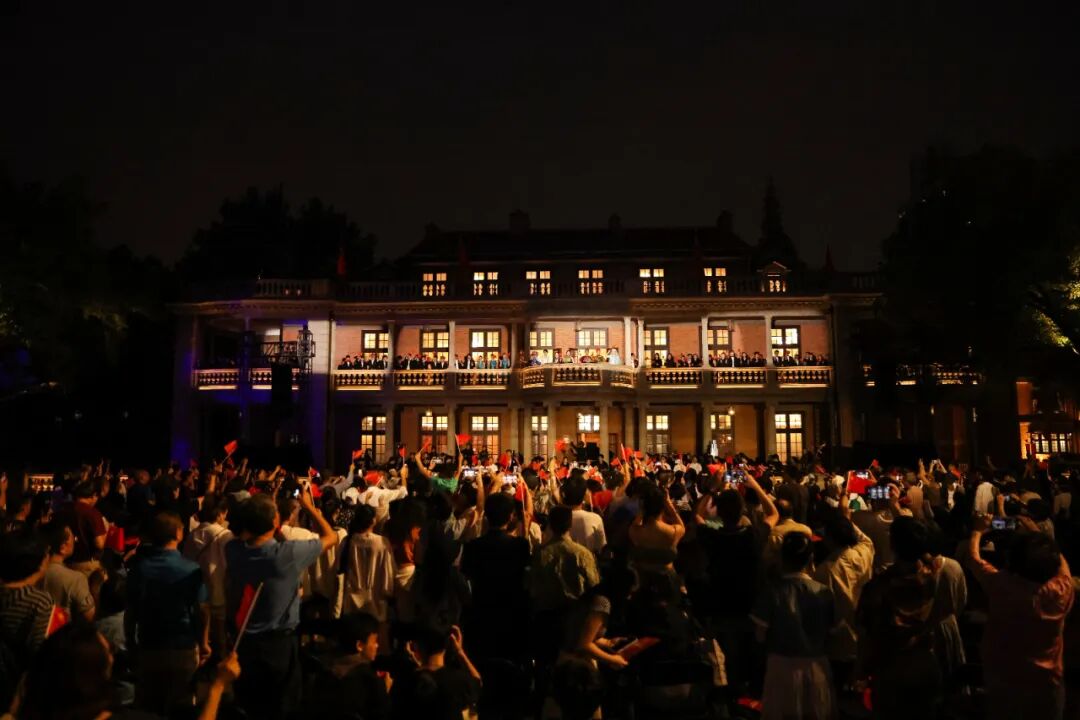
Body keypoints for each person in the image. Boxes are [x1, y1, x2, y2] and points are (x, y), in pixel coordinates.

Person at [225, 486, 339, 720]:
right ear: (274, 522)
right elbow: (331, 537)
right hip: (278, 644)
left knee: (250, 705)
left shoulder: (233, 550)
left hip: (244, 641)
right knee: (282, 704)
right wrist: (310, 507)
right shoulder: (286, 554)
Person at [963, 513, 1075, 720]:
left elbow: (973, 559)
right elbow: (1062, 566)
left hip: (1003, 677)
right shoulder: (1062, 589)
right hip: (1047, 680)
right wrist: (1039, 535)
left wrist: (978, 530)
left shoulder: (1002, 585)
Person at [125, 510, 210, 715]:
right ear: (179, 533)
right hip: (183, 647)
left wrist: (131, 644)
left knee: (150, 708)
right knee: (182, 706)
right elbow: (202, 610)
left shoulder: (139, 569)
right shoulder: (191, 569)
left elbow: (131, 611)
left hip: (150, 646)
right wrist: (204, 641)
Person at [751, 532, 835, 720]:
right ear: (811, 558)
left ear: (782, 558)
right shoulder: (824, 592)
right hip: (817, 667)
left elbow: (760, 636)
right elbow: (831, 632)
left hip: (782, 667)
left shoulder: (772, 591)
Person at [460, 493, 531, 662]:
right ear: (510, 516)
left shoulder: (473, 546)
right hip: (511, 611)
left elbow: (466, 575)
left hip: (482, 610)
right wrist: (526, 530)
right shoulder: (520, 545)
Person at [305, 612, 391, 720]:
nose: (377, 645)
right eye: (374, 641)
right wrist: (385, 690)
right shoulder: (370, 680)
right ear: (359, 645)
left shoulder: (323, 672)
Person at [392, 624, 482, 720]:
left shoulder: (403, 682)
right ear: (447, 644)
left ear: (417, 646)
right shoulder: (458, 682)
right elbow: (477, 681)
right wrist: (459, 651)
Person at [530, 505, 600, 614]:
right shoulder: (582, 554)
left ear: (550, 524)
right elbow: (594, 585)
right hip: (576, 613)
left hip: (548, 613)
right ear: (570, 525)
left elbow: (534, 587)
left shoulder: (540, 553)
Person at [41, 519, 95, 621]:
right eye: (73, 539)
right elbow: (90, 617)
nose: (75, 541)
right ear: (63, 548)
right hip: (64, 629)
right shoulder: (76, 579)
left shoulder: (32, 572)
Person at [53, 479, 107, 575]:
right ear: (94, 495)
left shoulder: (63, 509)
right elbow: (99, 544)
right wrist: (106, 530)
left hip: (64, 562)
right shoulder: (92, 513)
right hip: (86, 564)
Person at [563, 474, 606, 555]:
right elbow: (601, 547)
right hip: (588, 560)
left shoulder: (556, 517)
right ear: (585, 495)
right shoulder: (595, 518)